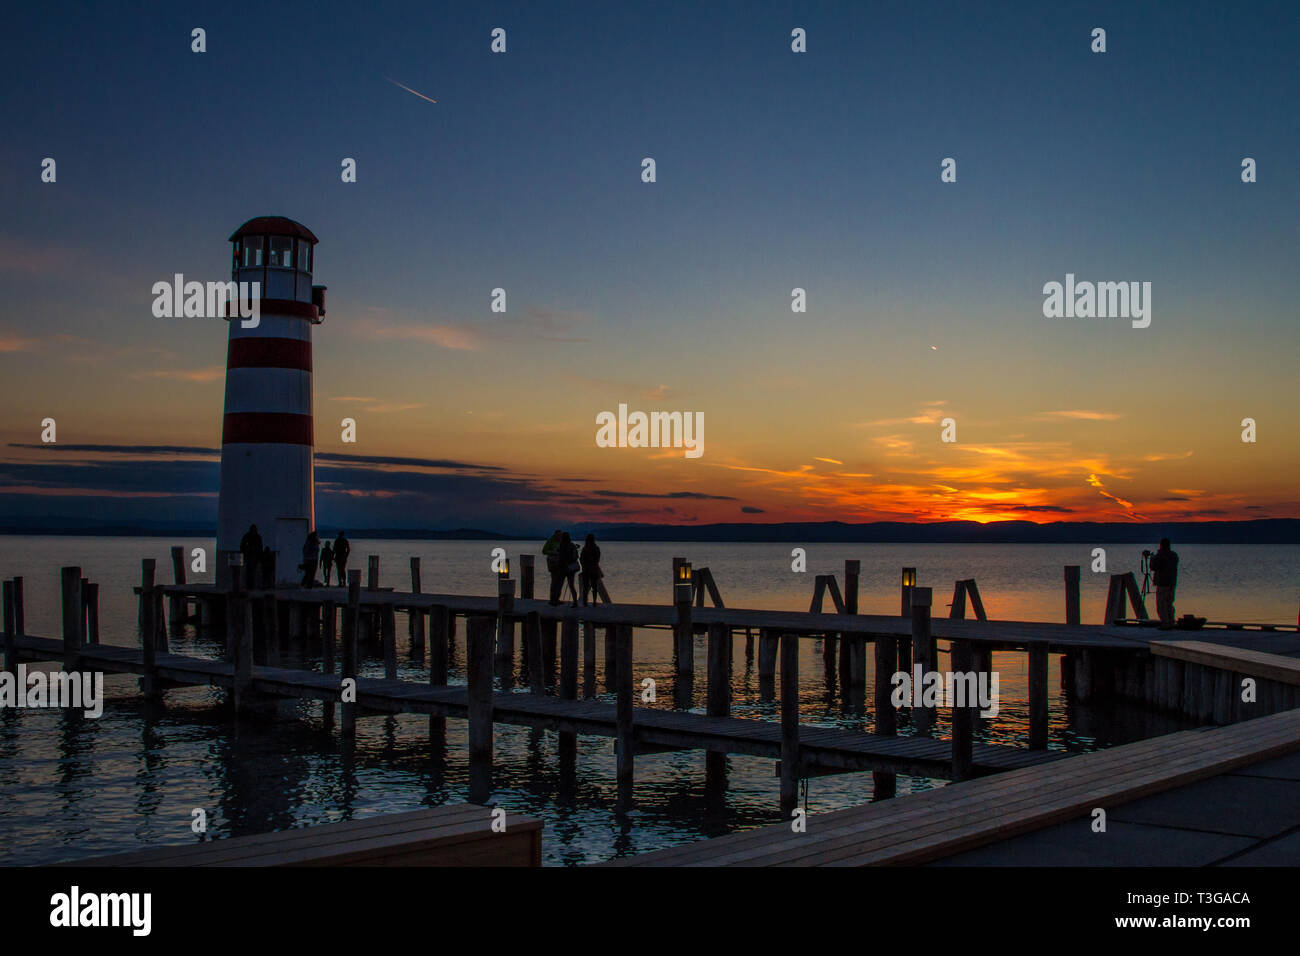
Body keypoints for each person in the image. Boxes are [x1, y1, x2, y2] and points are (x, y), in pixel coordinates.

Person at [1150, 537, 1179, 629]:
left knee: (1161, 605)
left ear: (1161, 545)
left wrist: (1152, 558)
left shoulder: (1160, 556)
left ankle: (1165, 624)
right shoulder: (1174, 555)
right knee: (1169, 604)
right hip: (1172, 583)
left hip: (1162, 584)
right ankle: (1171, 622)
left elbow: (1153, 567)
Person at [579, 533, 603, 606]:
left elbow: (581, 559)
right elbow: (598, 559)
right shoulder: (596, 548)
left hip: (586, 570)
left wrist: (583, 566)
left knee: (585, 587)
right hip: (594, 570)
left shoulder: (585, 549)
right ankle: (594, 602)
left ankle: (585, 602)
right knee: (594, 587)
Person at [543, 529, 564, 605]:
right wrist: (553, 552)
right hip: (553, 564)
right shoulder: (551, 541)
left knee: (560, 582)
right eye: (558, 535)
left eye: (560, 535)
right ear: (555, 535)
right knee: (554, 582)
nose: (559, 537)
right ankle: (552, 599)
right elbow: (544, 551)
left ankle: (557, 599)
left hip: (560, 564)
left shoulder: (562, 542)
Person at [239, 523, 263, 589]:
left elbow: (260, 548)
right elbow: (242, 546)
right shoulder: (254, 537)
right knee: (249, 573)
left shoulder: (253, 537)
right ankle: (250, 586)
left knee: (252, 573)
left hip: (253, 558)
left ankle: (251, 586)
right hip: (249, 557)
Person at [560, 532, 581, 608]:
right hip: (571, 568)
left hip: (564, 567)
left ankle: (556, 600)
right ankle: (575, 602)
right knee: (571, 585)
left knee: (559, 584)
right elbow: (576, 556)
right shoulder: (572, 545)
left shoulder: (562, 545)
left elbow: (561, 557)